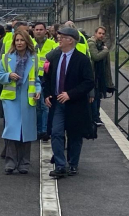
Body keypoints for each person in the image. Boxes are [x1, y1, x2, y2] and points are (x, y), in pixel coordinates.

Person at [44, 27, 94, 177]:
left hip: (75, 104)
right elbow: (48, 78)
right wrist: (47, 94)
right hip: (57, 103)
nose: (58, 39)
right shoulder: (55, 57)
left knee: (74, 135)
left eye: (62, 37)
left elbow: (88, 82)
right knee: (56, 133)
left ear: (70, 40)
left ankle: (73, 164)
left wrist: (70, 94)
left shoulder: (82, 59)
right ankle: (60, 165)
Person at [0, 29, 41, 174]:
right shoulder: (6, 57)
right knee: (12, 130)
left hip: (27, 100)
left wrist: (38, 91)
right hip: (11, 99)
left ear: (27, 41)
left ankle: (24, 163)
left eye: (22, 40)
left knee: (26, 132)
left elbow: (37, 79)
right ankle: (10, 162)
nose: (19, 43)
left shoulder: (34, 58)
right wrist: (9, 75)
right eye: (17, 40)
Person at [34, 22, 56, 141]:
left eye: (41, 29)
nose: (38, 31)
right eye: (36, 29)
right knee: (37, 106)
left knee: (45, 105)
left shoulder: (52, 44)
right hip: (33, 77)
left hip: (47, 78)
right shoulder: (30, 44)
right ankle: (38, 130)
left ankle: (45, 130)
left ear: (45, 31)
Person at [87, 26, 114, 126]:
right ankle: (94, 117)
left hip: (99, 76)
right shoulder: (91, 43)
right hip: (93, 75)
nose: (101, 35)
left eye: (103, 34)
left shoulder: (101, 45)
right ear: (95, 33)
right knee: (93, 97)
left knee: (98, 97)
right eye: (100, 33)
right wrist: (106, 51)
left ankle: (96, 116)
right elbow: (96, 57)